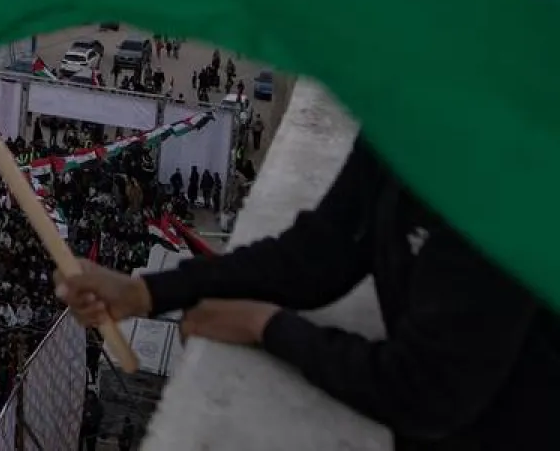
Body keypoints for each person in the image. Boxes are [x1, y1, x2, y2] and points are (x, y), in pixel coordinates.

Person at [57, 136, 560, 450]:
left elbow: (426, 392)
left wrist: (267, 326)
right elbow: (323, 251)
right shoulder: (406, 113)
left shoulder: (515, 160)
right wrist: (147, 292)